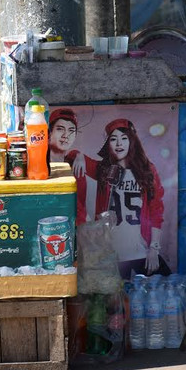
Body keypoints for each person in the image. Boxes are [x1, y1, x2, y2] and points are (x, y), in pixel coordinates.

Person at [69, 119, 168, 278]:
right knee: (116, 300)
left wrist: (154, 249)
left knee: (161, 292)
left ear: (132, 141)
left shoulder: (147, 170)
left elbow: (157, 210)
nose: (118, 143)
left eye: (124, 138)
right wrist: (78, 155)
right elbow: (70, 155)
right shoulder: (104, 170)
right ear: (108, 144)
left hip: (141, 251)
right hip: (111, 254)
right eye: (113, 139)